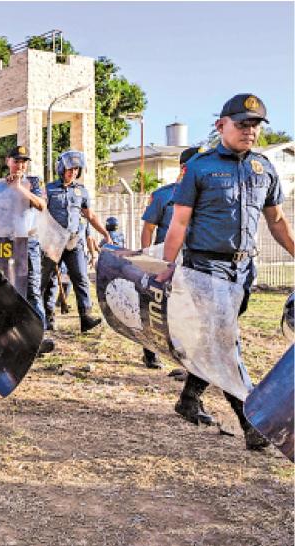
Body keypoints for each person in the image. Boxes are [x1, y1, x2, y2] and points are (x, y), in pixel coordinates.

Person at [157, 94, 294, 450]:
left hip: (244, 270)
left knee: (212, 339)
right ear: (221, 126)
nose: (250, 131)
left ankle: (189, 398)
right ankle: (252, 422)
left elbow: (277, 222)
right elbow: (179, 223)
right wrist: (165, 266)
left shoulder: (263, 168)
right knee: (225, 343)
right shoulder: (200, 168)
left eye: (255, 125)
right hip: (205, 267)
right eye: (242, 124)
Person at [138, 146, 202, 370]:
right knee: (156, 308)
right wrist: (148, 261)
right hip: (165, 260)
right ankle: (150, 351)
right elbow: (148, 229)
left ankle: (184, 357)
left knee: (186, 312)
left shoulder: (206, 197)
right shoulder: (164, 195)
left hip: (193, 262)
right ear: (184, 168)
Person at [0, 145, 54, 353]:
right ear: (7, 161)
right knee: (5, 290)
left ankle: (37, 337)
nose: (20, 165)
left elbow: (42, 206)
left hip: (27, 242)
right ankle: (6, 337)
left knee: (32, 290)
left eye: (24, 161)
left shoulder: (32, 182)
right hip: (2, 243)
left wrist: (20, 189)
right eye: (16, 161)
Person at [40, 151, 111, 333]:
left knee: (81, 278)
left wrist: (105, 233)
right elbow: (40, 214)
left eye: (76, 169)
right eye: (70, 169)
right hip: (52, 243)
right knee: (47, 281)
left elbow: (90, 216)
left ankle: (86, 317)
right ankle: (46, 318)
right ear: (61, 169)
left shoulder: (81, 191)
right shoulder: (48, 190)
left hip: (74, 243)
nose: (73, 172)